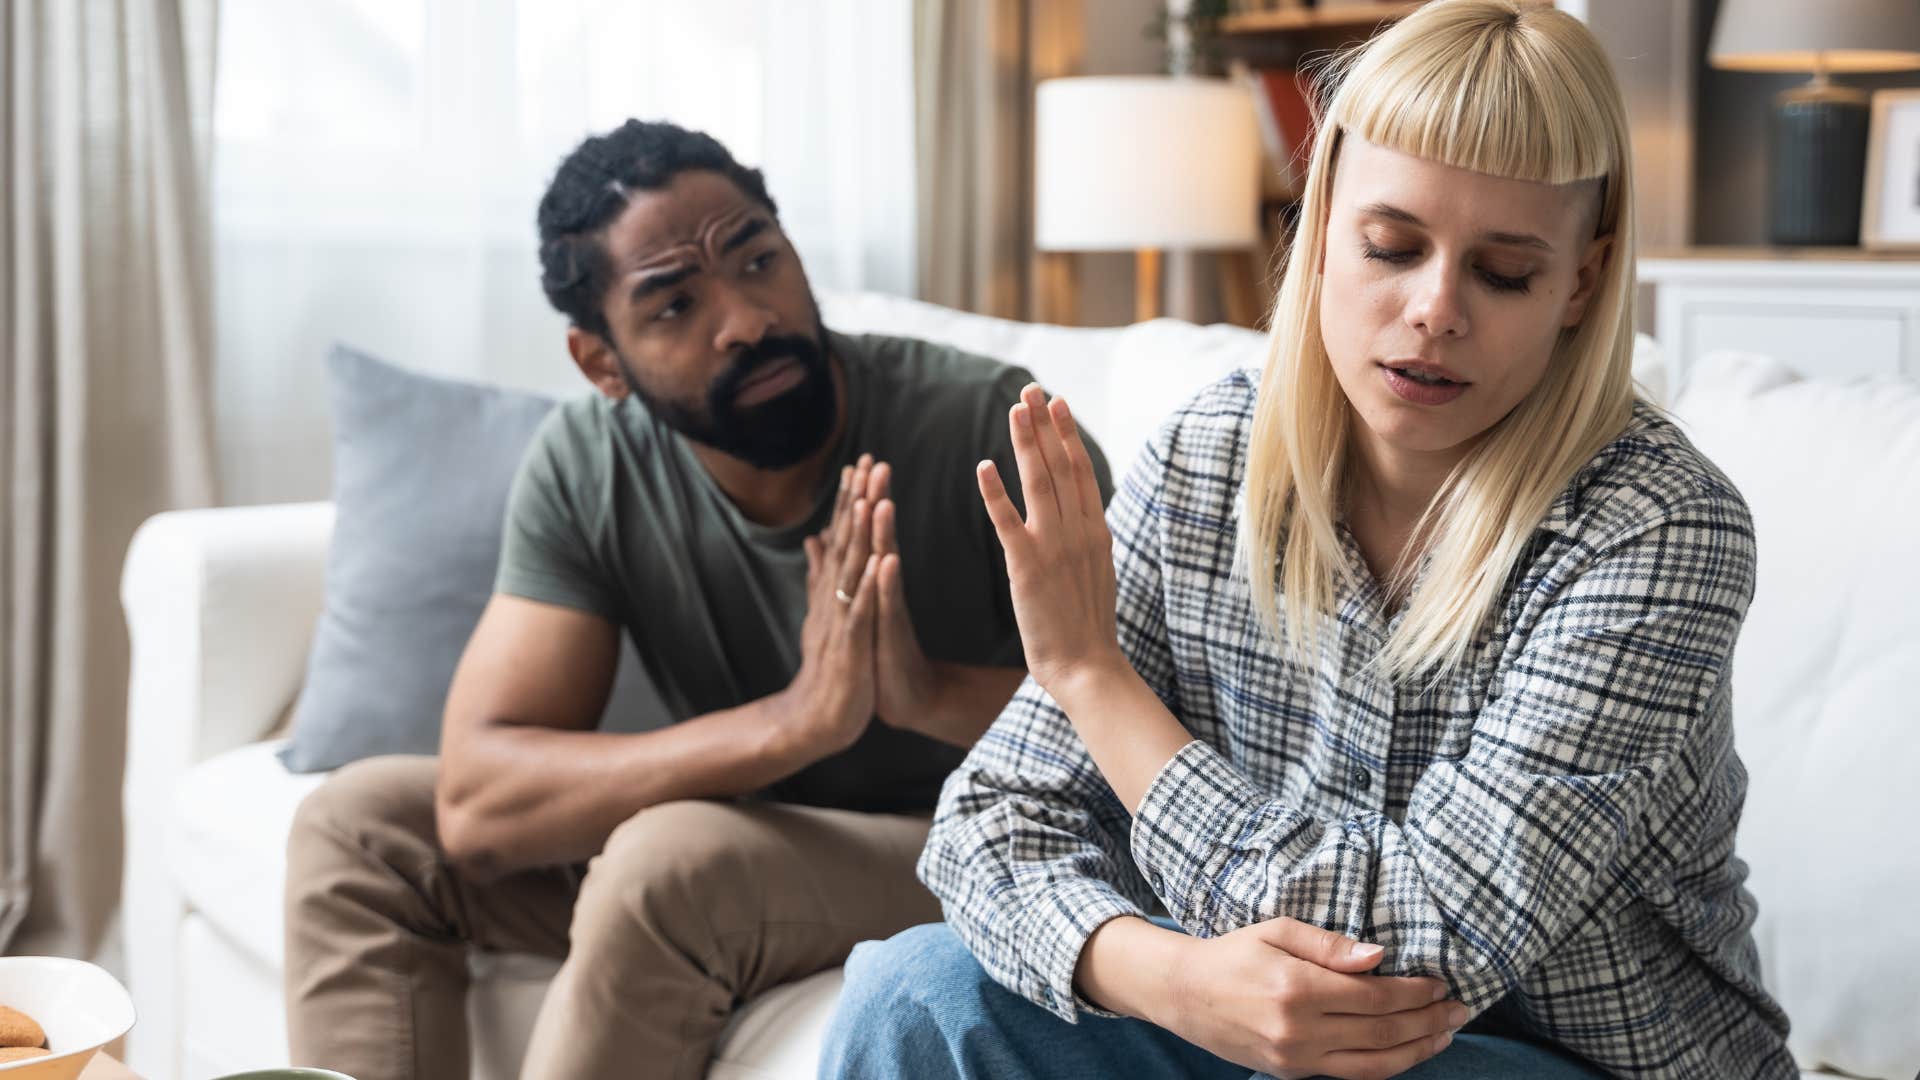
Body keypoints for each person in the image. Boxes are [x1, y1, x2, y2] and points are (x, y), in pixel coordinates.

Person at [822, 2, 1795, 1078]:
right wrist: (1168, 978)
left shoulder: (1658, 529)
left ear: (1583, 282)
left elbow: (1419, 943)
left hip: (1567, 1061)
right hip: (1259, 1031)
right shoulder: (1208, 457)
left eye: (1503, 271)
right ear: (1322, 223)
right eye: (1391, 245)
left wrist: (1096, 680)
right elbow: (991, 826)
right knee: (915, 992)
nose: (1433, 308)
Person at [280, 119, 1110, 1080]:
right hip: (759, 832)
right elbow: (477, 800)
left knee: (669, 861)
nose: (747, 319)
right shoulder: (593, 463)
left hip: (983, 840)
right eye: (675, 306)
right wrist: (791, 725)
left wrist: (922, 693)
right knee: (362, 829)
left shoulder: (993, 426)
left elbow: (1168, 728)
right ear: (600, 363)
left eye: (759, 259)